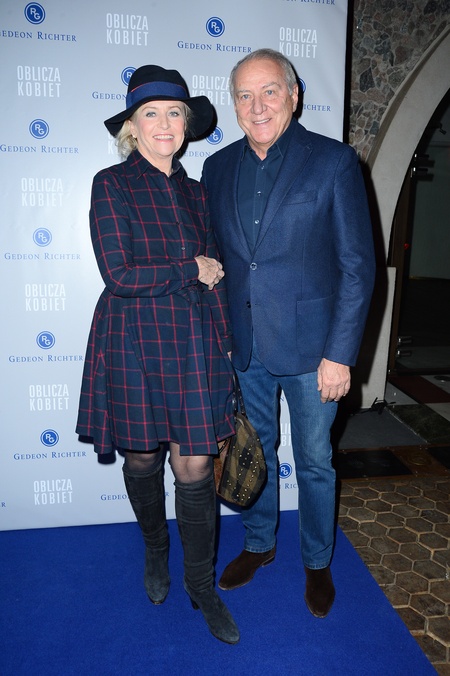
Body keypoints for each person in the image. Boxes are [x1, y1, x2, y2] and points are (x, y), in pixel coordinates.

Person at [201, 48, 375, 618]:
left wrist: (340, 355)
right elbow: (224, 259)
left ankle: (317, 560)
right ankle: (259, 543)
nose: (258, 106)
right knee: (254, 451)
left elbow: (357, 267)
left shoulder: (334, 162)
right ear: (234, 104)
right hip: (245, 346)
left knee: (315, 461)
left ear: (294, 96)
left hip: (314, 352)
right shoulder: (216, 168)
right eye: (245, 95)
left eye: (269, 91)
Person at [76, 65, 239, 644]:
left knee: (194, 466)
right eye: (151, 113)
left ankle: (201, 584)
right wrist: (189, 268)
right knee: (143, 458)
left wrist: (226, 345)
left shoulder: (197, 193)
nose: (164, 123)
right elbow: (120, 275)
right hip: (134, 339)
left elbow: (217, 277)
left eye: (174, 113)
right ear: (132, 126)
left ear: (187, 125)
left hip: (193, 341)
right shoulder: (110, 184)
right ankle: (154, 548)